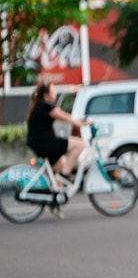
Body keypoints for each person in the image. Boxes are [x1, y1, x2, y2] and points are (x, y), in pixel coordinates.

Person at [26, 81, 92, 217]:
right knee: (79, 144)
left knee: (61, 163)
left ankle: (54, 199)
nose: (55, 93)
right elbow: (65, 117)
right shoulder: (45, 107)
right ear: (46, 95)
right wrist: (81, 123)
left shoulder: (39, 106)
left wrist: (79, 121)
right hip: (45, 143)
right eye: (53, 91)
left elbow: (67, 117)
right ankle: (66, 174)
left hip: (40, 142)